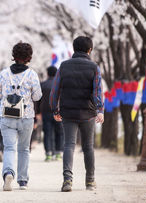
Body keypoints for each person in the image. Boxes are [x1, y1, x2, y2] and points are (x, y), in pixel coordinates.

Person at [49, 36, 104, 192]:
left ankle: (67, 180)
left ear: (74, 49)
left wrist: (55, 109)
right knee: (88, 147)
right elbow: (97, 91)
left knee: (69, 145)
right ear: (89, 50)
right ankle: (90, 181)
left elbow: (55, 90)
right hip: (88, 113)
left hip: (68, 111)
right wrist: (100, 110)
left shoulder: (64, 66)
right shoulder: (94, 67)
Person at [0, 42, 42, 191]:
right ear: (29, 57)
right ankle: (22, 181)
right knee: (24, 149)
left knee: (9, 148)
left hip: (7, 116)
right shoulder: (32, 74)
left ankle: (8, 173)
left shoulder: (4, 73)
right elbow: (37, 96)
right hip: (26, 117)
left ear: (14, 56)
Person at [38, 66, 64, 162]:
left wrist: (37, 112)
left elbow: (38, 100)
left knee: (47, 132)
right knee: (60, 132)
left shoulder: (42, 85)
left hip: (46, 112)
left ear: (47, 73)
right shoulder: (60, 85)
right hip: (59, 112)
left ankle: (48, 153)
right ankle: (58, 153)